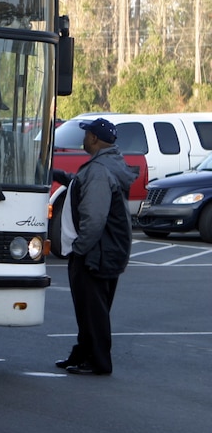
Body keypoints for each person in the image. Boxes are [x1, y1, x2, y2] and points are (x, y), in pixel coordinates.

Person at [52, 117, 136, 376]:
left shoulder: (99, 170)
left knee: (93, 309)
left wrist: (80, 248)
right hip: (107, 250)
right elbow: (81, 183)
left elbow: (95, 217)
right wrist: (60, 176)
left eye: (87, 133)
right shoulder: (106, 164)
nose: (84, 137)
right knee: (91, 307)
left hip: (96, 252)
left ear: (95, 139)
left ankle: (98, 362)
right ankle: (83, 354)